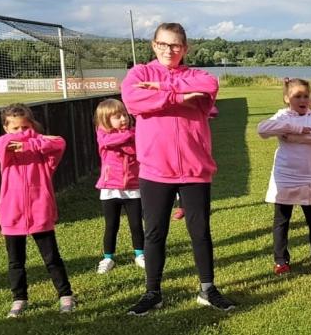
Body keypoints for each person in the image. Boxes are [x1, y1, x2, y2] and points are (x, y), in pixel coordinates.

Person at [121, 22, 235, 315]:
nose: (168, 50)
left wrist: (161, 89)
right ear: (153, 45)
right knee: (155, 233)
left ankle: (207, 289)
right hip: (155, 168)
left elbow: (208, 86)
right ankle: (152, 292)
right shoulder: (139, 73)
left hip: (195, 168)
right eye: (163, 44)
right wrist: (179, 97)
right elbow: (132, 99)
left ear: (184, 48)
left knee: (200, 232)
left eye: (175, 45)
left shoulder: (197, 75)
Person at [0, 103, 75, 317]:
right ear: (6, 129)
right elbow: (1, 144)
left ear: (32, 126)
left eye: (25, 128)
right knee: (16, 261)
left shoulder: (40, 149)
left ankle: (65, 295)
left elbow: (59, 142)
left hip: (40, 210)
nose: (21, 132)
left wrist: (29, 144)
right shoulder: (4, 146)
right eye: (15, 129)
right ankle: (19, 298)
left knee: (52, 258)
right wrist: (28, 141)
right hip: (12, 212)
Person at [258, 78, 311, 275]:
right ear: (287, 98)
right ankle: (281, 260)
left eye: (305, 95)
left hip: (309, 176)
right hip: (285, 176)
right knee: (282, 220)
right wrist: (294, 128)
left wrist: (292, 137)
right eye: (297, 96)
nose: (302, 99)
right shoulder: (282, 115)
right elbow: (262, 130)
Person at [94, 98, 145, 274]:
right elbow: (107, 143)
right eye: (117, 117)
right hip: (110, 188)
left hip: (133, 187)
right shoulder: (103, 134)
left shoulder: (135, 132)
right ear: (105, 121)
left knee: (137, 224)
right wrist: (131, 135)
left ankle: (140, 254)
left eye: (124, 114)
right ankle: (108, 258)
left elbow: (135, 150)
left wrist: (132, 136)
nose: (123, 119)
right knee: (111, 225)